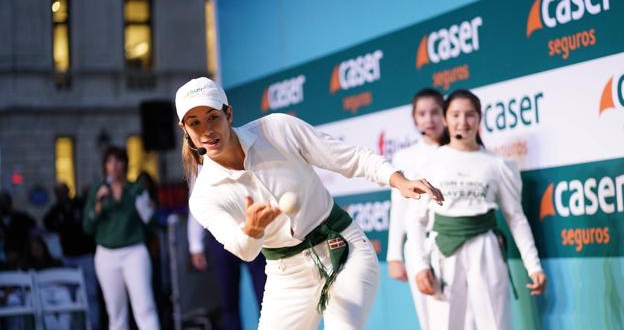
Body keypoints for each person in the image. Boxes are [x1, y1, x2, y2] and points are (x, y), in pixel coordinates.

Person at [175, 77, 444, 330]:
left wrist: (399, 180)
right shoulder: (203, 197)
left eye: (213, 117)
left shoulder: (276, 129)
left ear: (229, 114)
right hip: (287, 277)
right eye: (195, 123)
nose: (207, 130)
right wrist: (252, 230)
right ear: (184, 129)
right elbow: (242, 250)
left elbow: (350, 158)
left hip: (344, 249)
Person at [406, 89, 547, 330]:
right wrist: (419, 266)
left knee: (496, 323)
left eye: (470, 115)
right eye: (456, 114)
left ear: (480, 119)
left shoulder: (499, 164)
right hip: (443, 250)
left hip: (487, 250)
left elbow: (516, 218)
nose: (463, 122)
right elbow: (416, 219)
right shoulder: (428, 164)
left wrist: (533, 265)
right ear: (445, 119)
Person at [386, 88, 448, 330]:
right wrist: (394, 256)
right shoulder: (404, 156)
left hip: (450, 244)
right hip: (417, 247)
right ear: (414, 118)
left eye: (435, 112)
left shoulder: (456, 151)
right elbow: (399, 208)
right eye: (422, 113)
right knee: (430, 324)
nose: (429, 119)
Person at [83, 146, 160, 330]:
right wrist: (98, 206)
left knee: (145, 307)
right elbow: (87, 226)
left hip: (134, 251)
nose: (114, 166)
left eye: (118, 161)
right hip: (106, 254)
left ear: (125, 164)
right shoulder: (97, 191)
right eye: (110, 161)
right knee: (116, 313)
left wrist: (149, 209)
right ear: (105, 166)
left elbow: (151, 225)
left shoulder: (137, 189)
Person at [188, 213, 266, 330]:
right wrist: (196, 246)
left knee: (266, 297)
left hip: (251, 230)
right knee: (227, 302)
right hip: (220, 236)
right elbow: (196, 201)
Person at [44, 182, 100, 330]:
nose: (61, 195)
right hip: (68, 256)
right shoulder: (57, 210)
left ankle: (93, 325)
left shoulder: (79, 205)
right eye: (57, 193)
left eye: (63, 192)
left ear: (68, 191)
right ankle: (75, 326)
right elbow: (46, 222)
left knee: (90, 293)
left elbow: (90, 221)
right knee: (70, 295)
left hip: (85, 255)